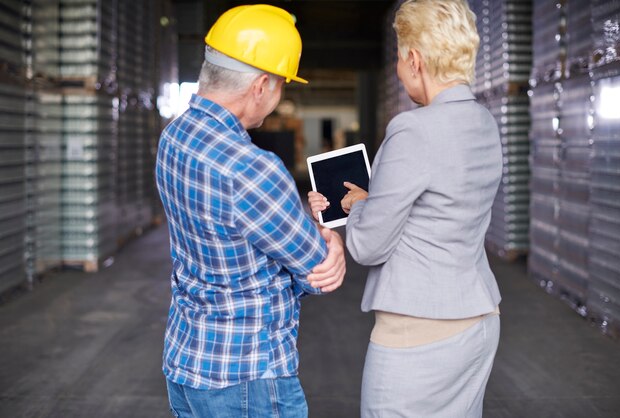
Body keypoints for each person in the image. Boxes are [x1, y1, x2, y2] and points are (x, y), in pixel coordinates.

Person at [309, 0, 502, 416]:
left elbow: (367, 245)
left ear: (414, 59)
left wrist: (360, 204)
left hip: (419, 333)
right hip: (479, 319)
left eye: (399, 57)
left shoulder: (412, 130)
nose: (398, 68)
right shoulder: (484, 122)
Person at [155, 5, 346, 418]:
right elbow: (317, 272)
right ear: (261, 85)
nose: (278, 100)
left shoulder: (173, 139)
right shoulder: (253, 169)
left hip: (186, 363)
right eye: (281, 87)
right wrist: (331, 241)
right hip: (247, 380)